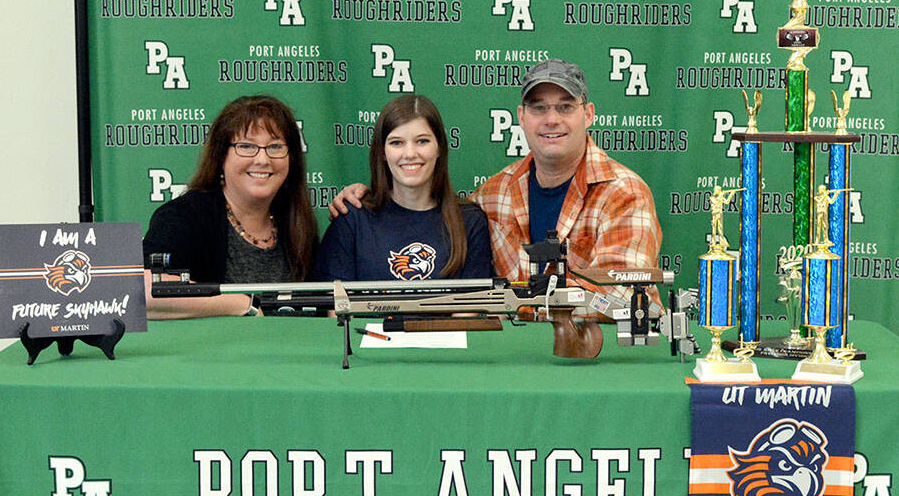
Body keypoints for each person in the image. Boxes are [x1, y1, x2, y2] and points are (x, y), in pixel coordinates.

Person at [330, 59, 661, 301]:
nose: (551, 119)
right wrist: (365, 196)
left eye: (565, 107)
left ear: (588, 114)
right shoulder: (494, 193)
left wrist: (526, 303)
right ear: (521, 117)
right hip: (511, 359)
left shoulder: (624, 193)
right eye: (538, 108)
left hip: (594, 358)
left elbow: (620, 295)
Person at [142, 95, 318, 318]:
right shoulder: (185, 215)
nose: (262, 159)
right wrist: (242, 305)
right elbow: (141, 289)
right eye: (246, 146)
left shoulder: (297, 222)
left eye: (275, 147)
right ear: (221, 156)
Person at [316, 94, 492, 281]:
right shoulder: (352, 219)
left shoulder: (470, 222)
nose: (409, 154)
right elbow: (336, 299)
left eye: (422, 141)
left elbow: (473, 300)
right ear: (382, 152)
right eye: (396, 143)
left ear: (439, 147)